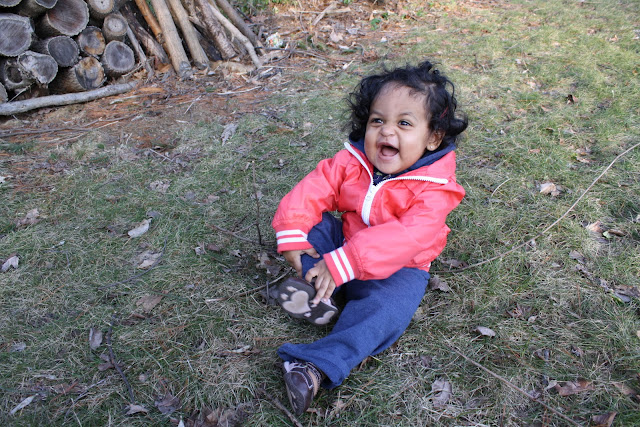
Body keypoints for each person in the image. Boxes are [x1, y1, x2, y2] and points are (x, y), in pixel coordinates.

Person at [271, 60, 468, 415]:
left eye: (404, 123)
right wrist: (294, 236)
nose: (386, 131)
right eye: (377, 120)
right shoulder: (354, 161)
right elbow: (316, 188)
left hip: (398, 270)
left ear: (433, 137)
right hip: (345, 246)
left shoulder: (436, 189)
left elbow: (409, 236)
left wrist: (346, 262)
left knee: (387, 312)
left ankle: (314, 366)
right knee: (309, 225)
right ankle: (319, 288)